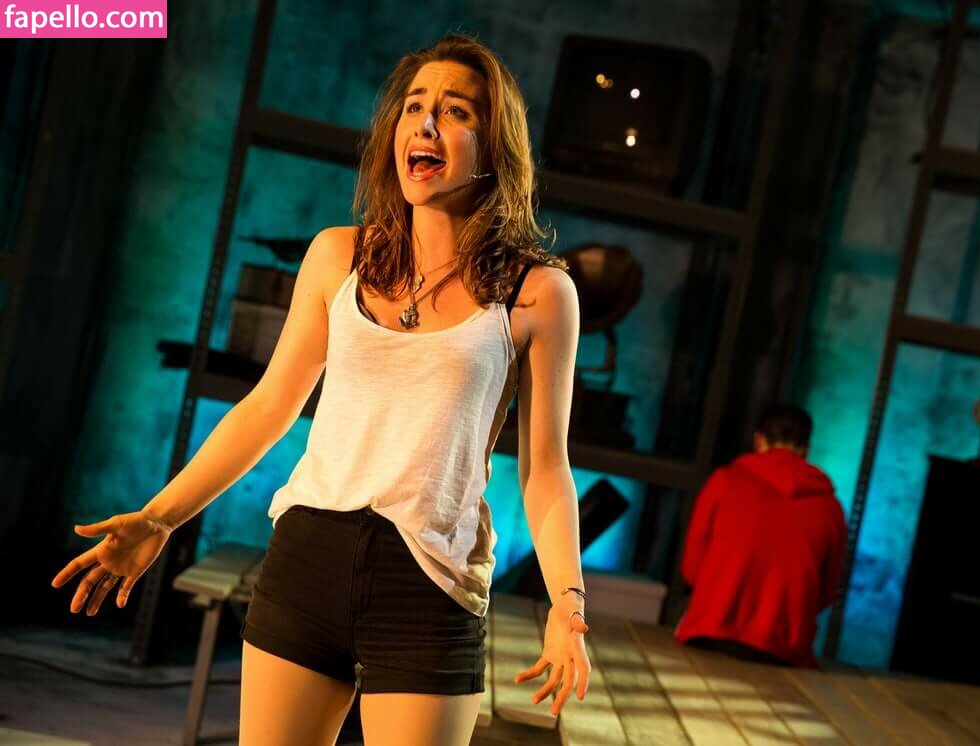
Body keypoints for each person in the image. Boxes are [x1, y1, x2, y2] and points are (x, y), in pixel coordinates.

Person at [50, 34, 591, 746]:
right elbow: (269, 406)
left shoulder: (537, 294)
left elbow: (546, 469)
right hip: (308, 560)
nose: (426, 124)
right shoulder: (339, 256)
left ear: (494, 147)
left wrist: (567, 606)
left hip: (429, 585)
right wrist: (160, 518)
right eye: (414, 107)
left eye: (455, 111)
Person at [674, 403, 846, 668]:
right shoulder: (830, 507)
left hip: (710, 632)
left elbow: (691, 567)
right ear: (806, 448)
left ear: (759, 439)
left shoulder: (724, 481)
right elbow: (827, 591)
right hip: (783, 650)